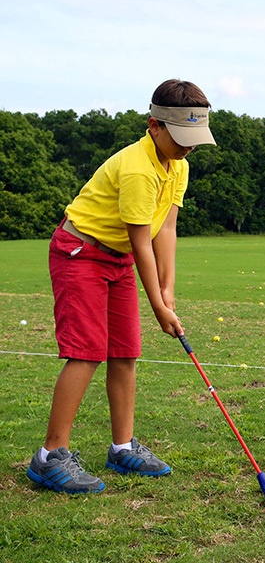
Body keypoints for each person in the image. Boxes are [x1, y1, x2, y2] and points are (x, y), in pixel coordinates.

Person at [26, 79, 216, 494]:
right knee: (86, 351)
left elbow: (166, 227)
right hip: (81, 251)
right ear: (155, 126)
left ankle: (122, 446)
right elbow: (139, 240)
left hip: (116, 259)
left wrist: (169, 291)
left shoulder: (178, 165)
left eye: (195, 139)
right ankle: (49, 457)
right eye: (181, 138)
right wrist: (158, 307)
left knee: (126, 350)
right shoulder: (136, 168)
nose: (188, 147)